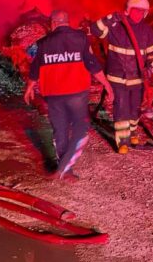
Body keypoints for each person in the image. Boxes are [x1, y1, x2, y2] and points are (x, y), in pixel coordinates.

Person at [24, 10, 113, 180]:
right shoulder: (80, 38)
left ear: (53, 23)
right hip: (76, 94)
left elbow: (33, 63)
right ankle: (64, 167)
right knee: (81, 130)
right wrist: (107, 85)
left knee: (60, 131)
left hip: (53, 95)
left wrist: (29, 87)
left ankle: (64, 168)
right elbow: (93, 65)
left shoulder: (42, 43)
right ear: (67, 21)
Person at [91, 0, 153, 154]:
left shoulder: (146, 31)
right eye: (136, 10)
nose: (139, 14)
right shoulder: (116, 26)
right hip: (117, 78)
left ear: (146, 13)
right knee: (120, 108)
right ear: (128, 10)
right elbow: (95, 30)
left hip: (137, 79)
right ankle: (122, 141)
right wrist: (110, 18)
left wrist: (150, 67)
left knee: (135, 108)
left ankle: (133, 132)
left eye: (142, 12)